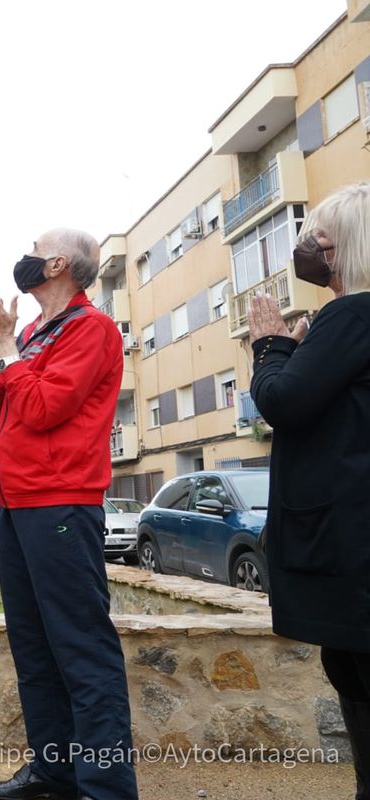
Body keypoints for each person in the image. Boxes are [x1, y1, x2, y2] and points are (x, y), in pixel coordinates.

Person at [0, 228, 136, 800]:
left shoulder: (92, 330)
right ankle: (55, 771)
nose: (26, 257)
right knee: (35, 650)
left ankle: (106, 788)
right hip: (17, 510)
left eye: (36, 250)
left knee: (82, 651)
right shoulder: (36, 333)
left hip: (61, 507)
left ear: (59, 263)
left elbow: (42, 409)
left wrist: (12, 353)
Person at [248, 182, 370, 800]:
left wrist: (267, 348)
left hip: (351, 542)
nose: (307, 247)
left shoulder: (350, 314)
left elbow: (284, 403)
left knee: (355, 669)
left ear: (345, 245)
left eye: (318, 235)